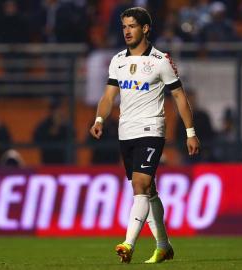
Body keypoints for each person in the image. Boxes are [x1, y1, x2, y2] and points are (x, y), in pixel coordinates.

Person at [89, 7, 200, 264]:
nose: (127, 31)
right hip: (125, 132)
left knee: (140, 184)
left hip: (151, 129)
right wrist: (99, 119)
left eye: (132, 26)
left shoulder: (160, 61)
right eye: (124, 26)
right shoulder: (118, 60)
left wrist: (190, 132)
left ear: (145, 28)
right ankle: (163, 246)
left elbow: (179, 97)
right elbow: (108, 96)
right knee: (148, 190)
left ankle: (128, 244)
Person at [33, 98, 71, 164]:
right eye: (58, 110)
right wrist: (55, 126)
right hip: (47, 162)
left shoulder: (67, 126)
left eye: (62, 109)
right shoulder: (44, 125)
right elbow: (36, 140)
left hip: (64, 163)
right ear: (52, 112)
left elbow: (73, 140)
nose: (61, 112)